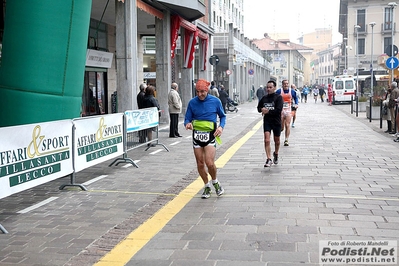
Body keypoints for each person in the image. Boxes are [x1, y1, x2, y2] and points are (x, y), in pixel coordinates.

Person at [184, 79, 226, 199]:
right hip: (197, 135)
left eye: (202, 91)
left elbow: (223, 116)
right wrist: (187, 124)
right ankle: (206, 186)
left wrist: (221, 127)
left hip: (210, 135)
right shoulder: (192, 102)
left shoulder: (215, 101)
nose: (199, 94)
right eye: (197, 92)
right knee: (200, 163)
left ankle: (215, 182)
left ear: (207, 90)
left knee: (209, 162)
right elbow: (187, 118)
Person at [257, 80, 283, 167]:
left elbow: (278, 110)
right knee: (267, 140)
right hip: (267, 121)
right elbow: (258, 108)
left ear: (274, 88)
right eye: (267, 87)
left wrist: (267, 111)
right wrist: (261, 109)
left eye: (270, 87)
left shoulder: (278, 98)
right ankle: (268, 158)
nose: (268, 89)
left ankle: (276, 153)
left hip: (276, 121)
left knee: (277, 141)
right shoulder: (264, 98)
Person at [276, 80, 298, 146]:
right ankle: (278, 134)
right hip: (281, 111)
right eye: (284, 84)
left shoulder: (292, 91)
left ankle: (286, 140)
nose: (286, 85)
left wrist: (296, 104)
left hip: (288, 110)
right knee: (282, 127)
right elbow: (274, 98)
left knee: (287, 125)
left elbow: (296, 98)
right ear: (282, 85)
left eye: (287, 84)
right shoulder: (279, 91)